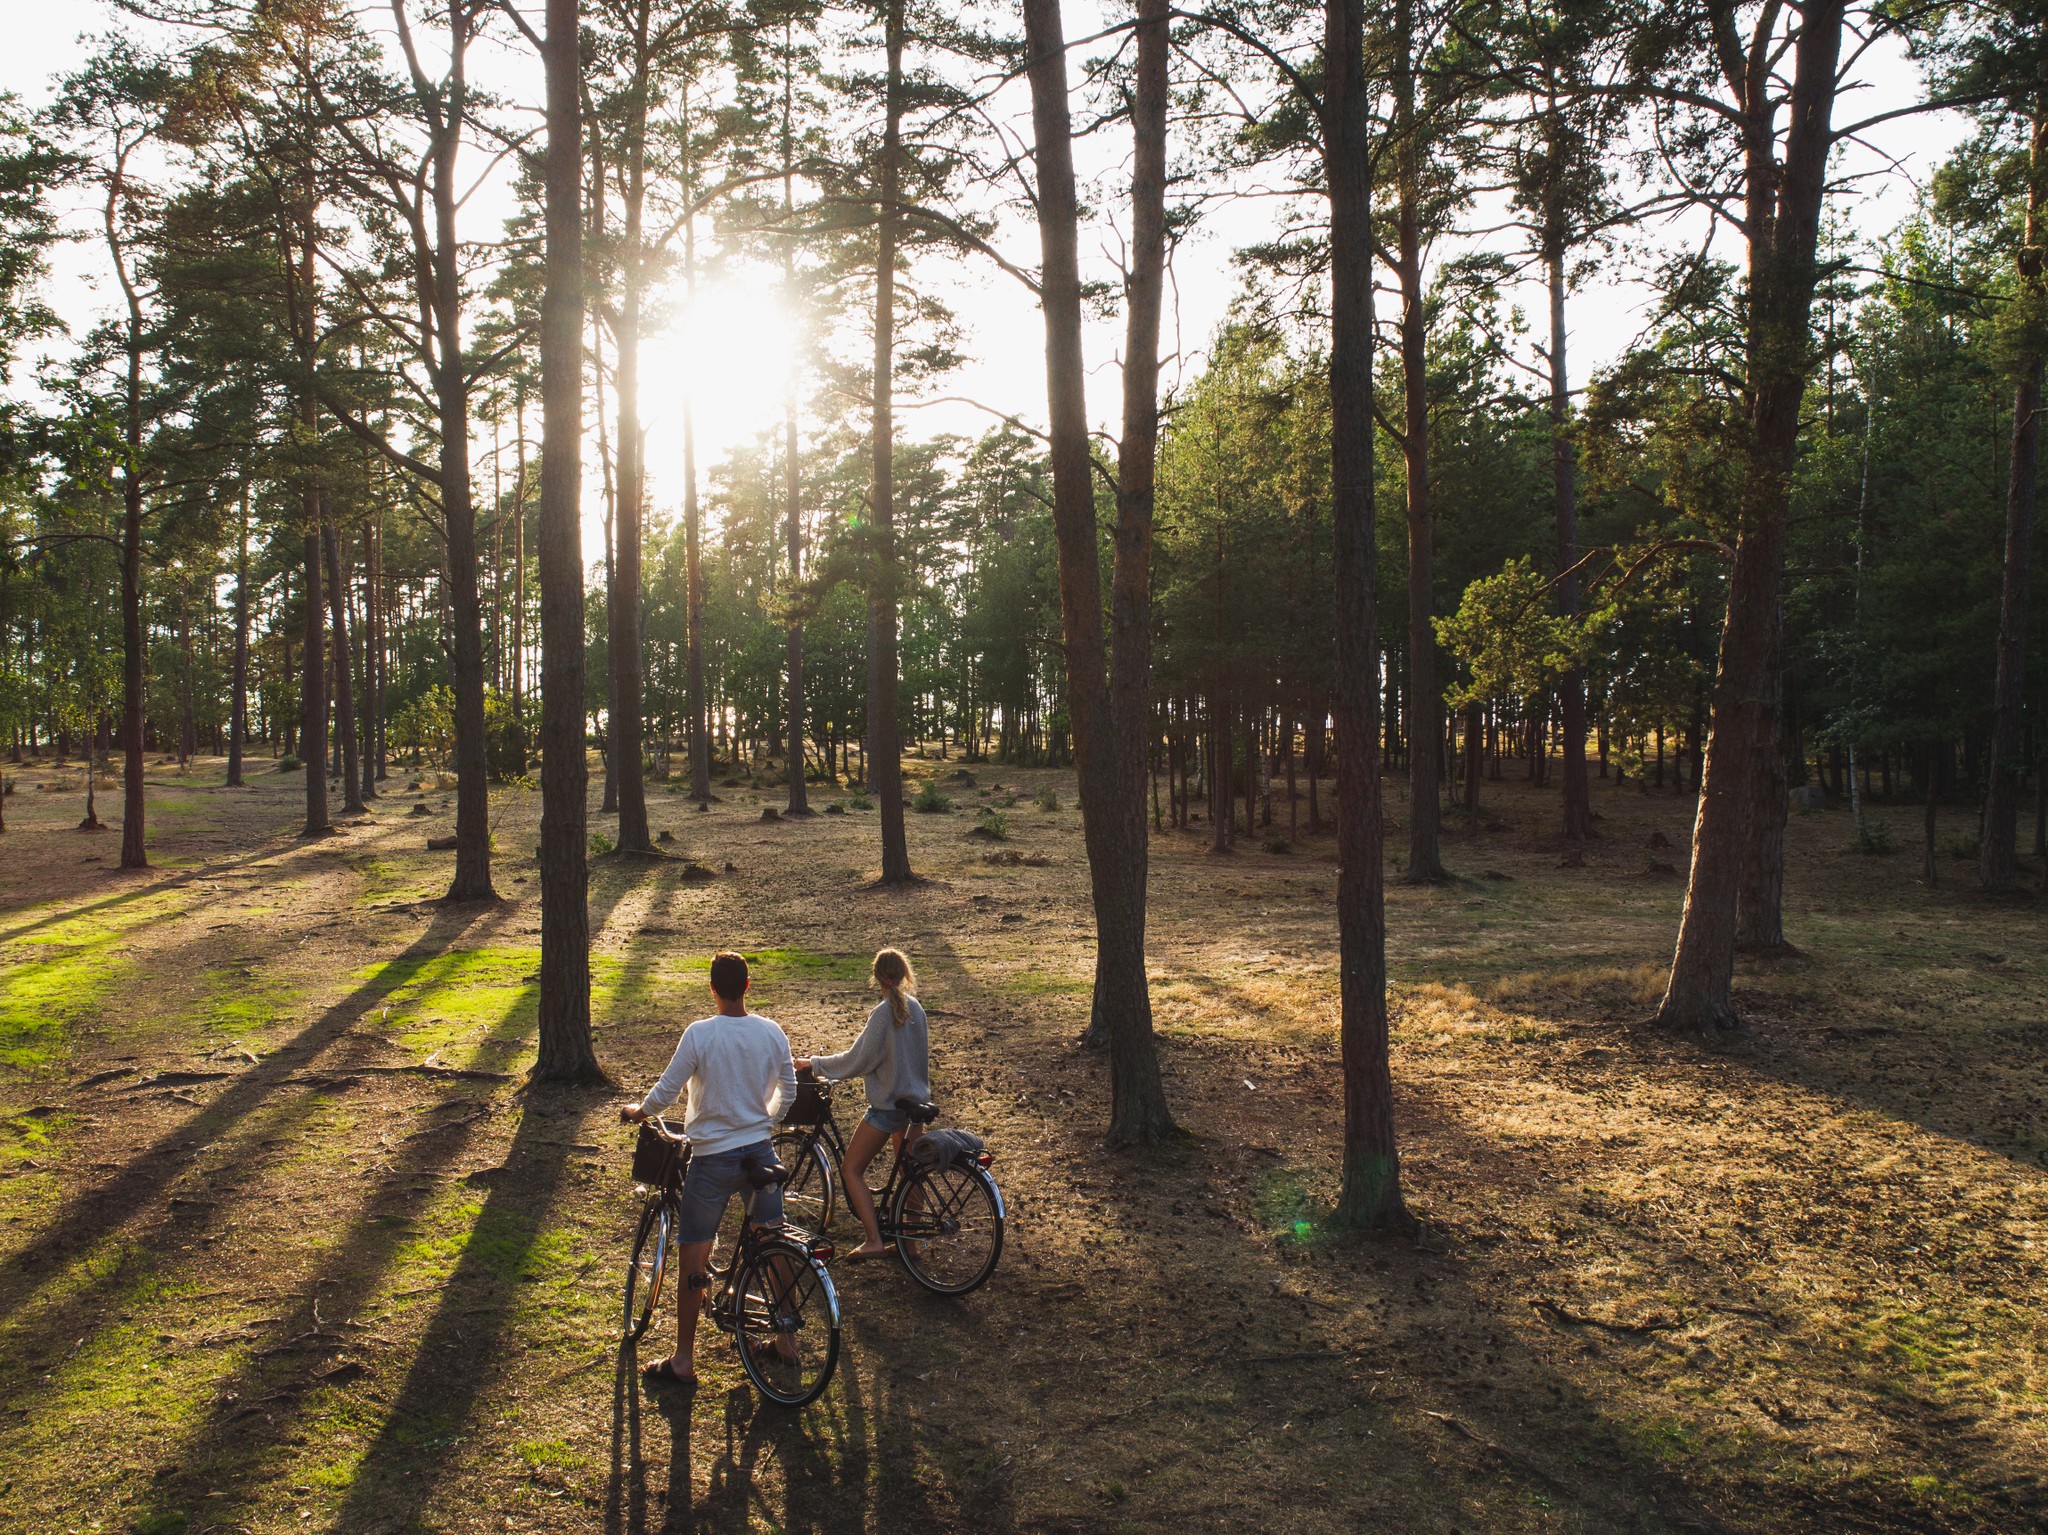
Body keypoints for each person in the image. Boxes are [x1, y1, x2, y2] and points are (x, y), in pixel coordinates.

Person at [621, 950, 797, 1388]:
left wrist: (640, 1112)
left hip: (713, 1157)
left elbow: (667, 1091)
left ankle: (684, 1359)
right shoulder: (771, 1031)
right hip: (760, 1151)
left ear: (713, 989)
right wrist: (767, 1120)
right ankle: (787, 1342)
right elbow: (790, 1088)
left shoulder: (700, 1034)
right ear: (748, 986)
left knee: (693, 1255)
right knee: (771, 1239)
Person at [795, 948, 929, 1260]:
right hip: (915, 1106)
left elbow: (857, 1060)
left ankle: (873, 1240)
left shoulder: (883, 1014)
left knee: (851, 1169)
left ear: (878, 977)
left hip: (889, 1108)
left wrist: (813, 1064)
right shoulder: (916, 1009)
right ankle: (908, 1245)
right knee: (912, 1175)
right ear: (904, 974)